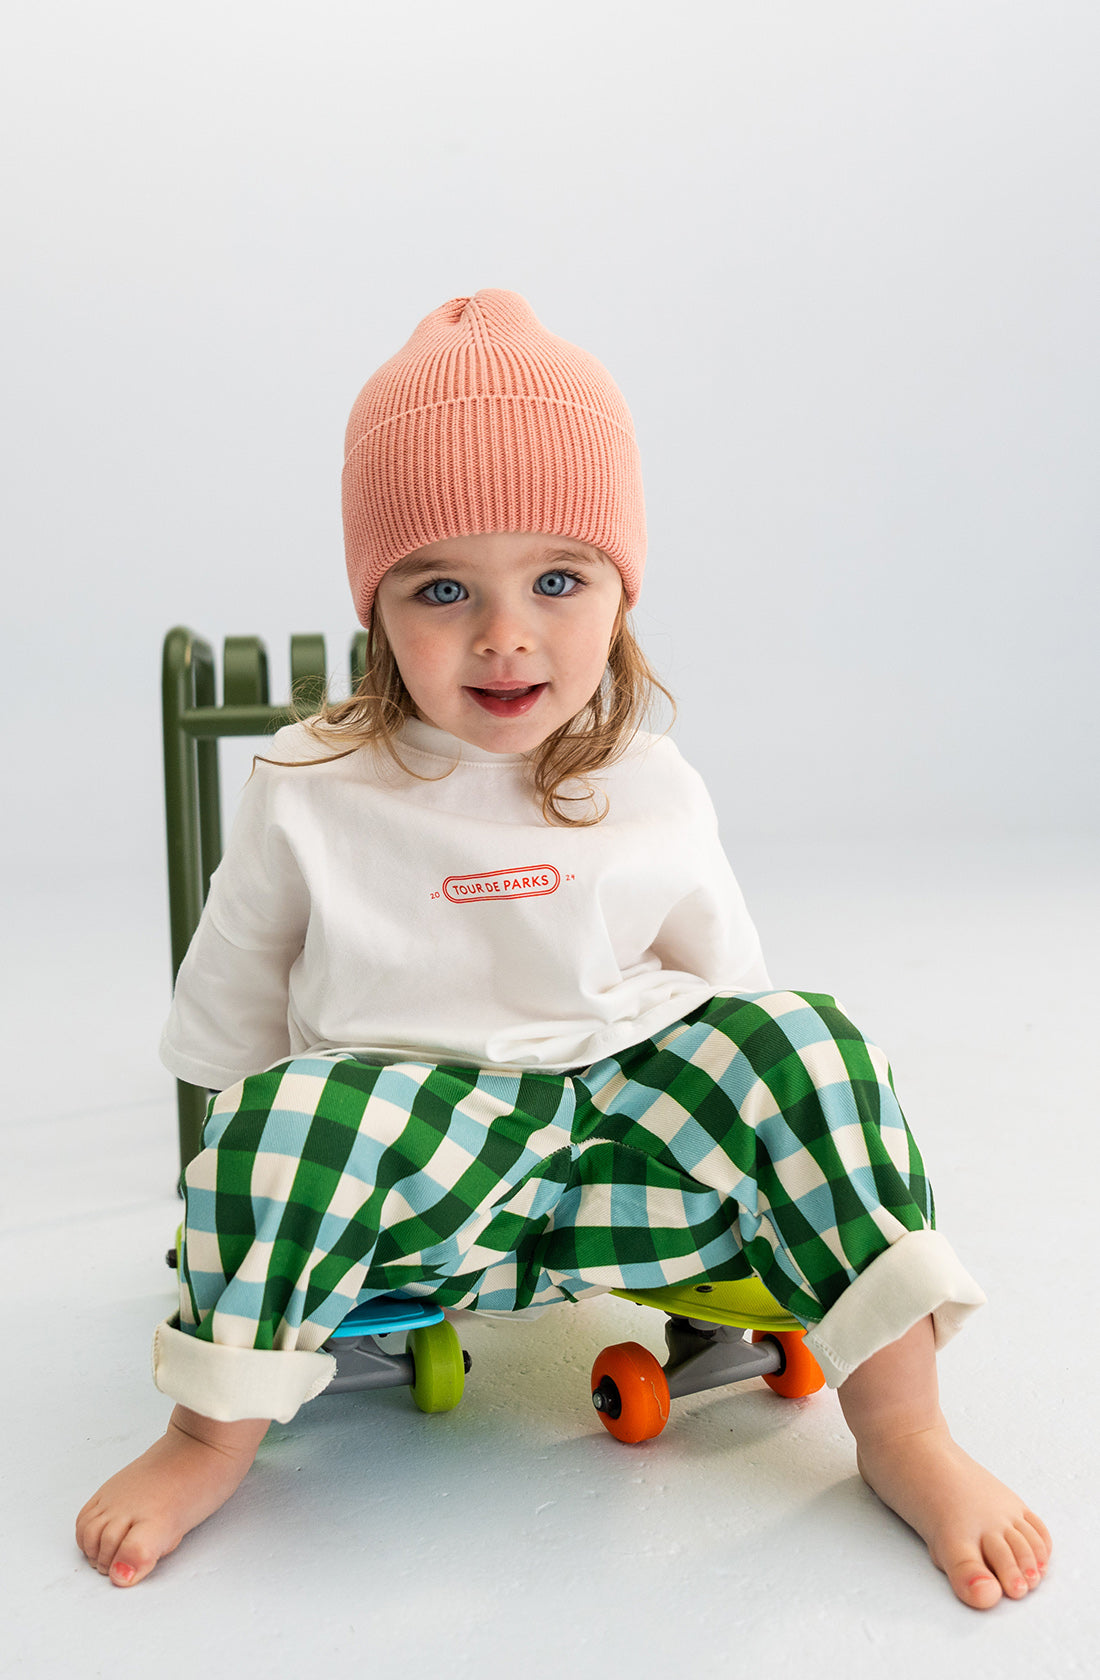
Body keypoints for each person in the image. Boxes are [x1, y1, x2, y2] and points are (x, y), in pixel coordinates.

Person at [76, 289, 1050, 1607]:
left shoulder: (648, 782)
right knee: (289, 1120)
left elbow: (732, 1001)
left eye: (556, 579)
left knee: (812, 1041)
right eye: (441, 588)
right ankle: (210, 1436)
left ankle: (907, 1428)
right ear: (376, 608)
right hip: (427, 1157)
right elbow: (232, 1011)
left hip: (628, 1149)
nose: (504, 635)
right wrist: (251, 1172)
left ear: (621, 590)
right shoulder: (313, 784)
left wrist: (768, 1101)